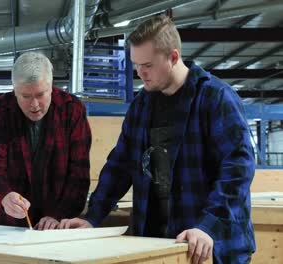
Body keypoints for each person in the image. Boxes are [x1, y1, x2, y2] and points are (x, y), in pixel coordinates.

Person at [58, 15, 255, 264]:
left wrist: (208, 226)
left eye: (148, 65)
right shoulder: (142, 104)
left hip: (211, 246)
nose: (140, 73)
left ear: (173, 57)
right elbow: (120, 165)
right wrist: (93, 217)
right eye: (136, 65)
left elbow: (237, 170)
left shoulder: (215, 98)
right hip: (159, 243)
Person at [0, 51, 92, 230]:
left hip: (55, 225)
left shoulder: (72, 110)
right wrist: (4, 196)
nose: (34, 105)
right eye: (25, 96)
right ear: (14, 90)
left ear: (51, 86)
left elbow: (78, 174)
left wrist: (59, 214)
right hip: (4, 224)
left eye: (40, 95)